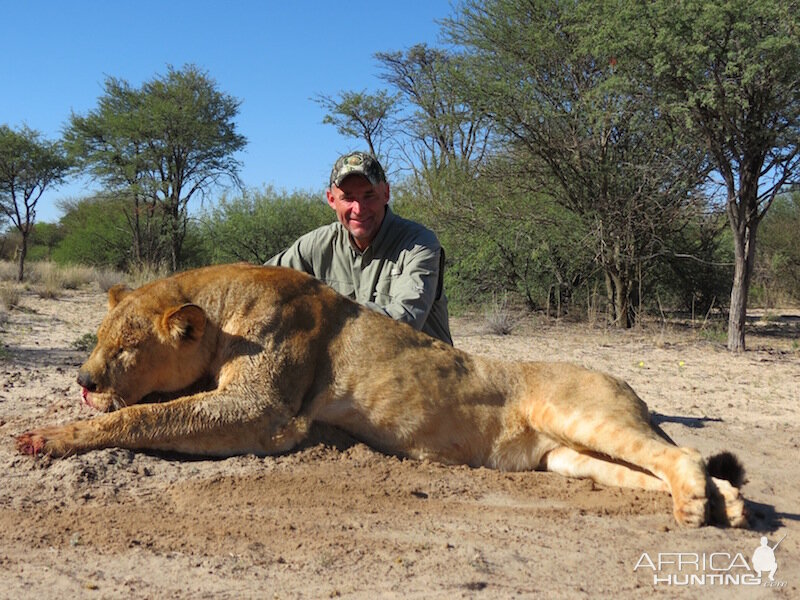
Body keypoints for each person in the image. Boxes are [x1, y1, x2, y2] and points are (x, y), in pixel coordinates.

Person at [266, 151, 452, 345]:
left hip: (423, 368)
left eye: (369, 195)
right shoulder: (317, 244)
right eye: (348, 198)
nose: (359, 209)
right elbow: (262, 283)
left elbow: (404, 321)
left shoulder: (420, 243)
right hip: (355, 369)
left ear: (386, 194)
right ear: (331, 200)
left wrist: (318, 310)